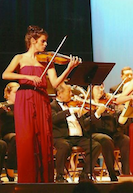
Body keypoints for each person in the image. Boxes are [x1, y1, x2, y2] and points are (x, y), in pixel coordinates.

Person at [2, 25, 81, 183]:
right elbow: (5, 74)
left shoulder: (47, 61)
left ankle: (44, 180)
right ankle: (28, 179)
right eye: (43, 41)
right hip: (25, 100)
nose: (45, 45)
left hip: (41, 100)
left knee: (43, 139)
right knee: (27, 139)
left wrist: (69, 68)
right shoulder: (20, 58)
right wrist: (29, 78)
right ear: (32, 41)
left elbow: (56, 82)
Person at [51, 83, 101, 182]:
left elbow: (85, 124)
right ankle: (60, 176)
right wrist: (69, 111)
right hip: (62, 137)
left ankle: (85, 174)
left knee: (95, 145)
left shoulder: (74, 105)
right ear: (59, 93)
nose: (72, 94)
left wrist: (95, 114)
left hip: (78, 137)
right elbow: (53, 119)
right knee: (64, 146)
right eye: (69, 92)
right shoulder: (52, 106)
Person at [87, 84, 130, 181]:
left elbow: (118, 123)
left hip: (111, 133)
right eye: (98, 88)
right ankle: (112, 174)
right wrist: (97, 113)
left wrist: (124, 110)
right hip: (95, 134)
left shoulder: (108, 103)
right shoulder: (88, 104)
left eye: (102, 87)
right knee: (106, 140)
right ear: (91, 89)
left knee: (126, 140)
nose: (101, 90)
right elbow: (86, 124)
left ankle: (126, 174)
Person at [0, 82, 19, 182]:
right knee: (15, 138)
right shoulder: (3, 105)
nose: (18, 95)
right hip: (6, 134)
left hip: (21, 133)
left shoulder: (23, 106)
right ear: (8, 93)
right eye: (16, 92)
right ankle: (10, 168)